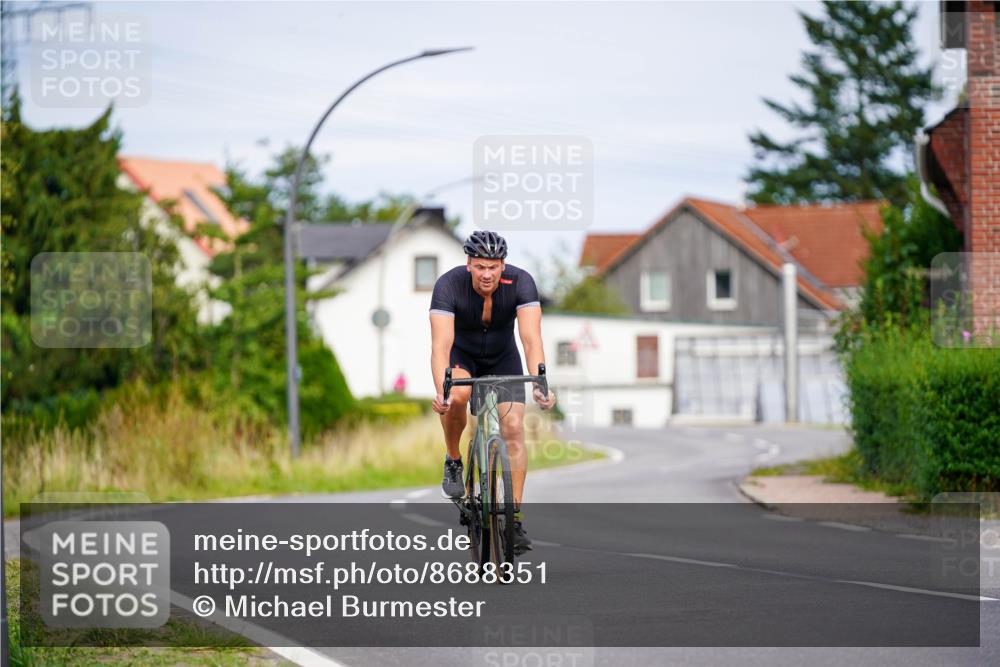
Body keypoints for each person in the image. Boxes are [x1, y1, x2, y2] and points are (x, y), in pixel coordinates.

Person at [429, 230, 556, 552]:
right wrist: (441, 390)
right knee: (457, 396)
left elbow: (531, 338)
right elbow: (441, 344)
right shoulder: (448, 285)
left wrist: (540, 384)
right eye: (481, 266)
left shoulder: (522, 282)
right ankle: (454, 459)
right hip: (463, 356)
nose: (487, 274)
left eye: (494, 266)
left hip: (503, 357)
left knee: (513, 429)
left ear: (503, 265)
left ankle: (513, 519)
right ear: (469, 264)